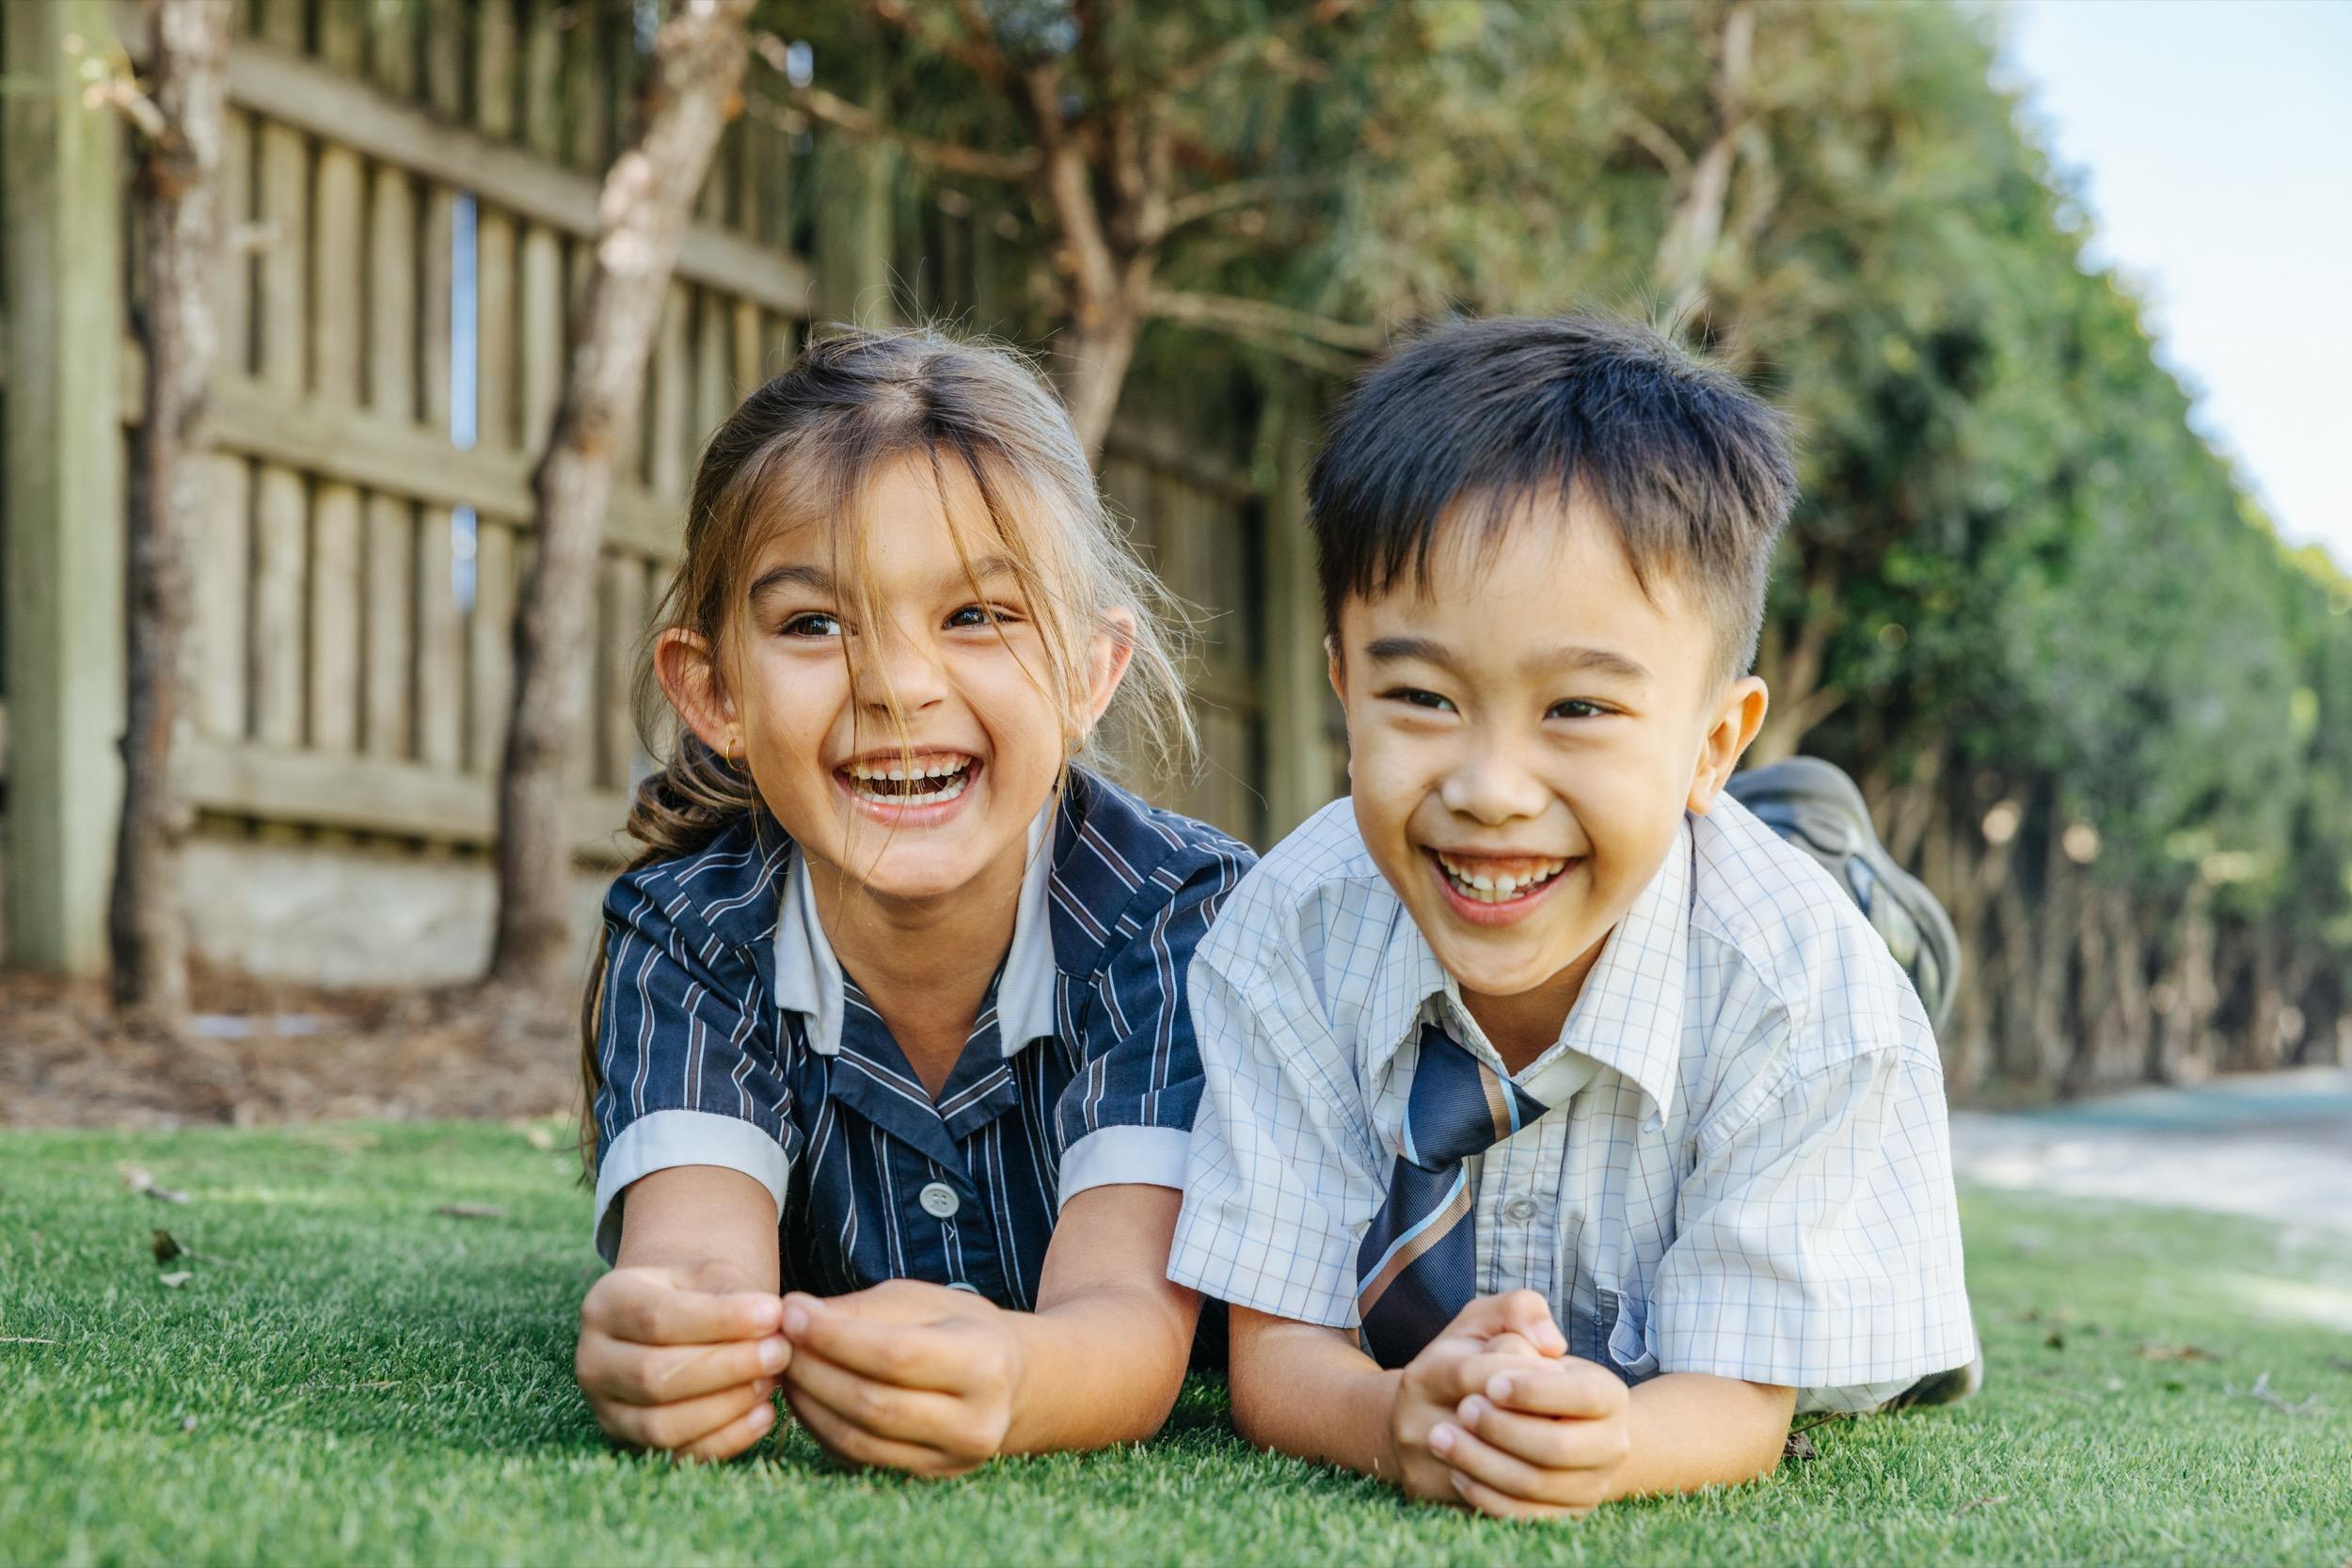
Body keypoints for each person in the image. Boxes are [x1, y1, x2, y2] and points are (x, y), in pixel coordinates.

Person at [1168, 315, 1979, 1520]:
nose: (1489, 787)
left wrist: (1616, 1443)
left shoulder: (1817, 1000)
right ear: (1343, 685)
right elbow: (1277, 1354)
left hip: (1758, 940)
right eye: (1422, 695)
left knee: (1870, 1357)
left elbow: (1736, 1403)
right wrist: (1387, 1421)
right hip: (1632, 864)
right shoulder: (1283, 935)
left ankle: (1836, 860)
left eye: (1579, 708)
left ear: (1713, 736)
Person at [574, 328, 1251, 1472]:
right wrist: (672, 1348)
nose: (896, 685)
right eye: (814, 623)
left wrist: (1016, 1377)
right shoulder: (687, 930)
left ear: (1090, 673)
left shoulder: (1173, 916)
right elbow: (696, 1265)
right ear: (714, 690)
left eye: (977, 614)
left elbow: (1127, 1323)